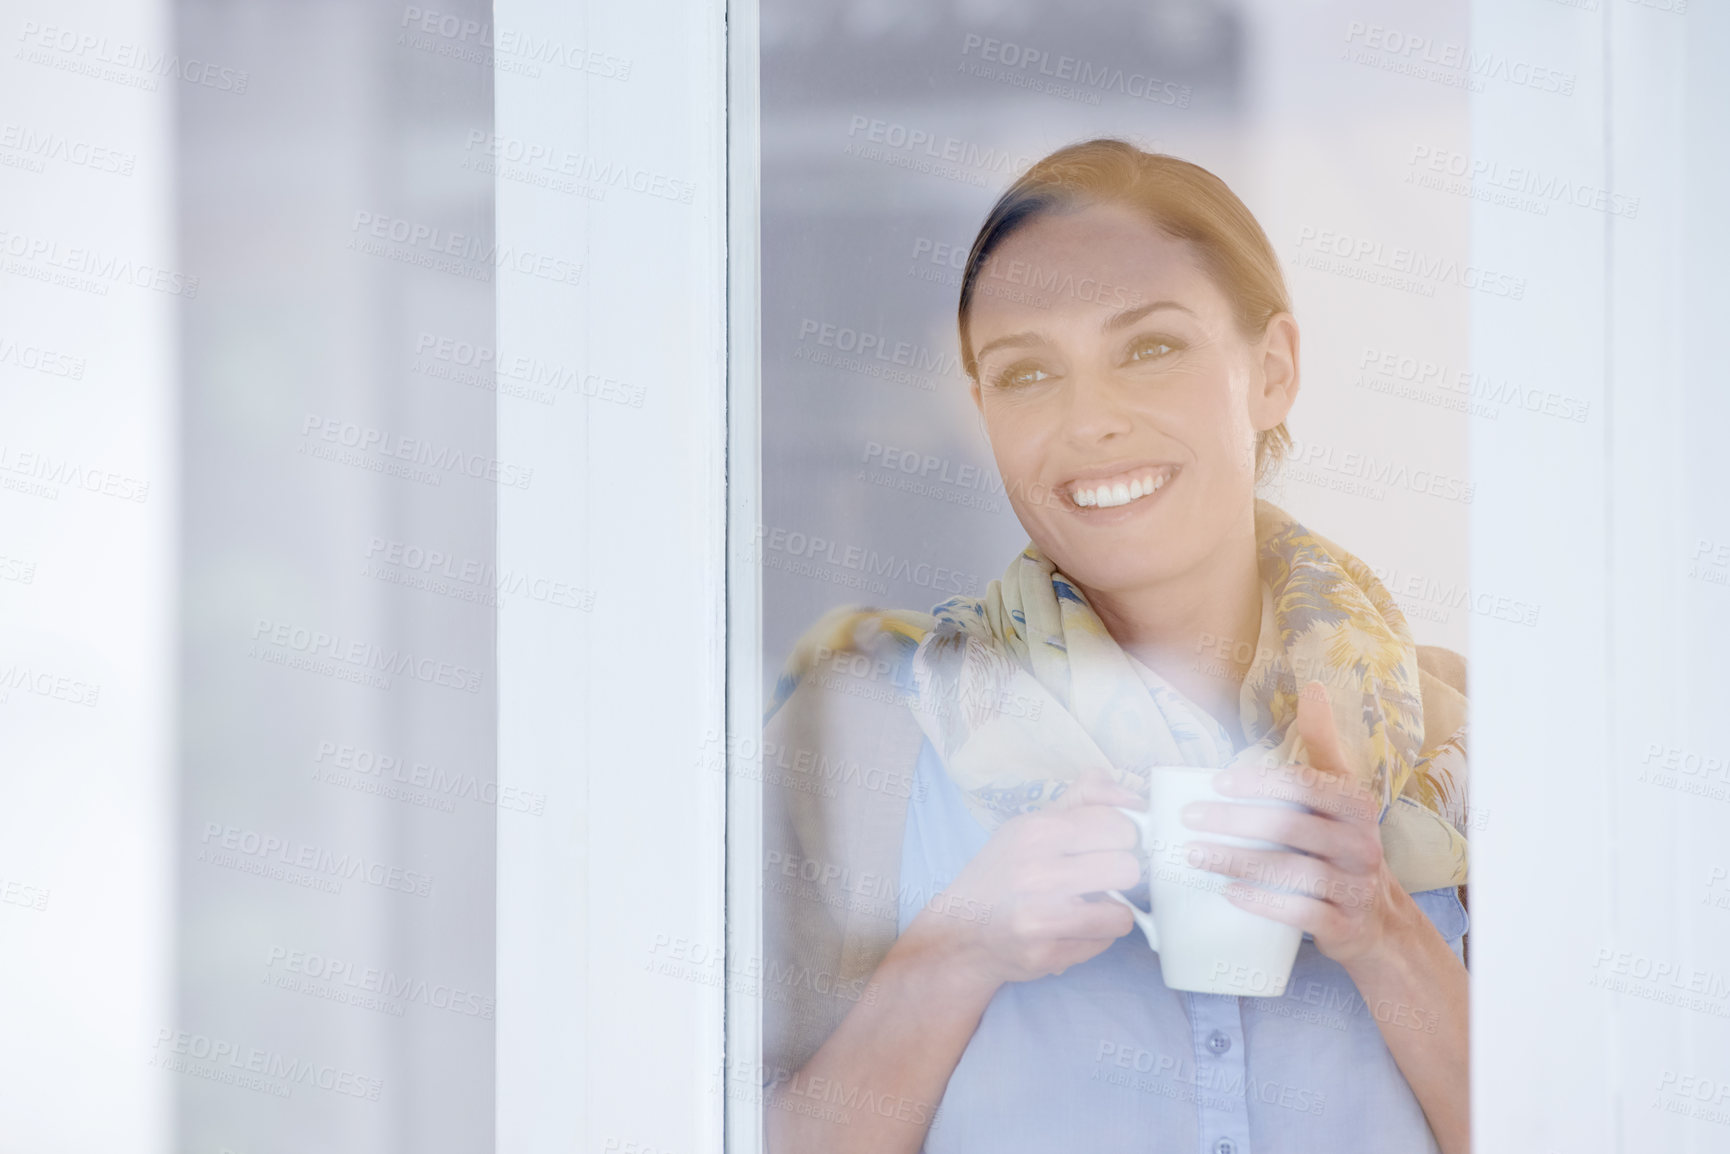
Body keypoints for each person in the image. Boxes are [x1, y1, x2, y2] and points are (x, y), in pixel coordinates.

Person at [759, 139, 1472, 1154]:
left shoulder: (1461, 746)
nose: (1088, 418)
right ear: (981, 416)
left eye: (1147, 348)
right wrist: (951, 954)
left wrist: (1384, 931)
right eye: (1025, 372)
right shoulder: (866, 734)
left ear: (1270, 372)